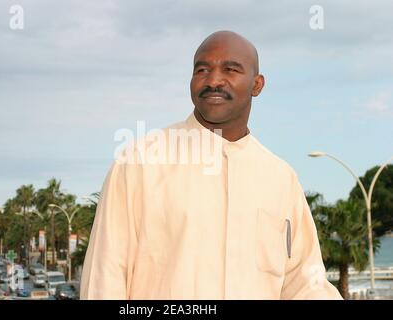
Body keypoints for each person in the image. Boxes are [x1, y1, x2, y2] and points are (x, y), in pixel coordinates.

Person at [80, 31, 342, 300]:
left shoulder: (281, 178)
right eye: (202, 70)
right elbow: (105, 277)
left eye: (230, 69)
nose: (214, 80)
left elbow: (304, 283)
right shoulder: (140, 163)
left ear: (257, 84)